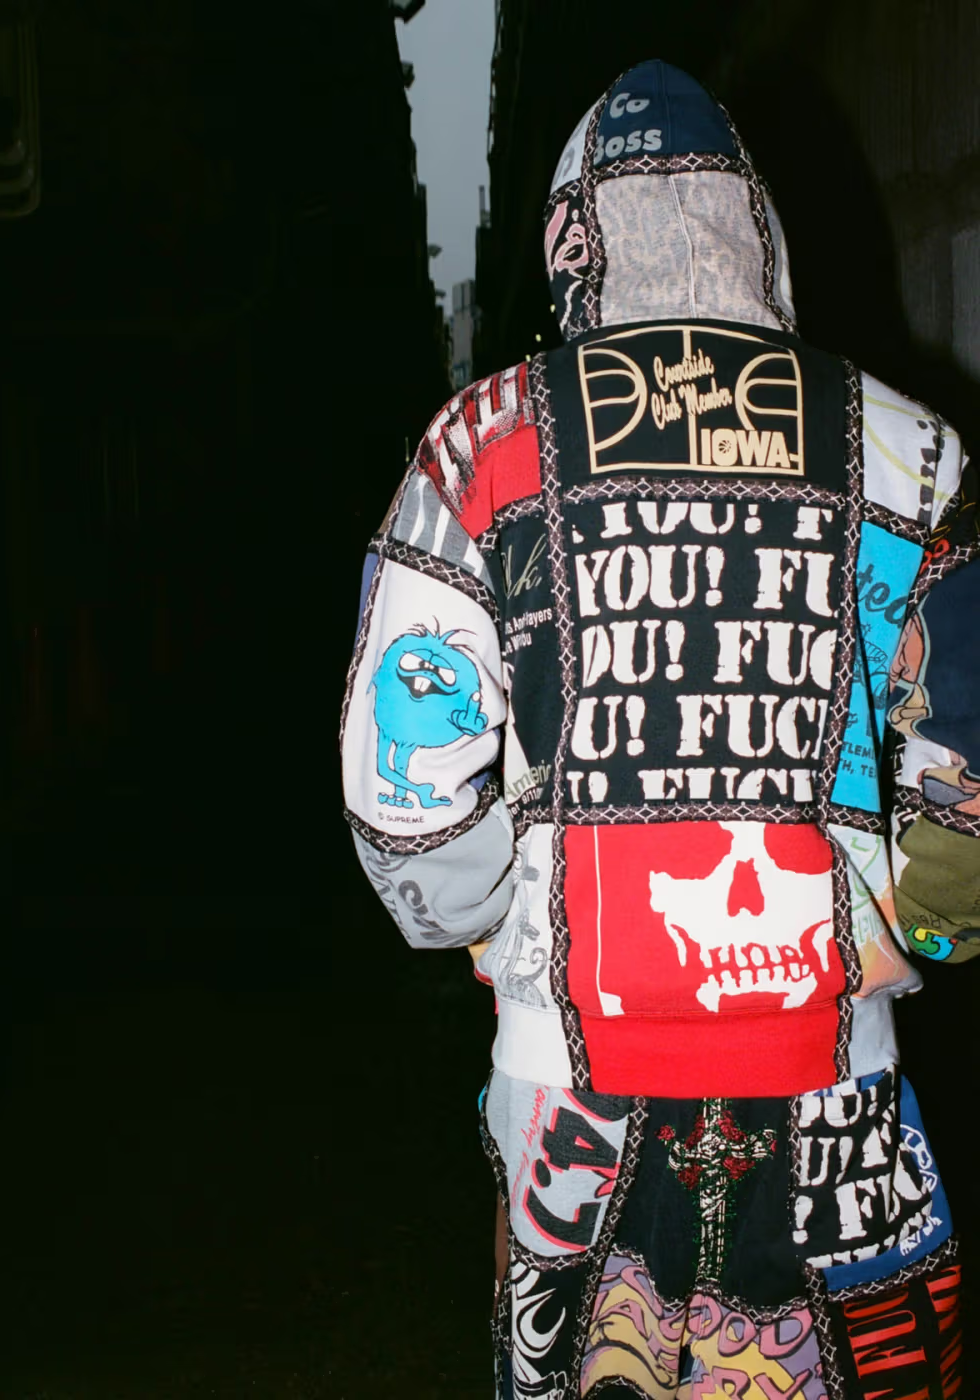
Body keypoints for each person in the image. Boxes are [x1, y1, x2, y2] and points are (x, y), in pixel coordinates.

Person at [340, 58, 978, 1399]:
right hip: (837, 1100)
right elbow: (965, 827)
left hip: (569, 1107)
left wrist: (497, 926)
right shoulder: (914, 454)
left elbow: (408, 816)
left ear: (572, 242)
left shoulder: (480, 447)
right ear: (762, 232)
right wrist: (906, 935)